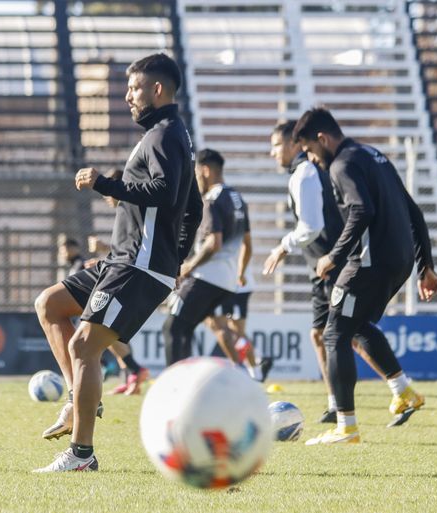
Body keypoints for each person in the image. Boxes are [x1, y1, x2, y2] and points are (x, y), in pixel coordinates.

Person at [33, 53, 202, 472]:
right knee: (50, 305)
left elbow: (163, 192)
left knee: (83, 346)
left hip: (138, 265)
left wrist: (104, 183)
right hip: (126, 260)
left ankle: (81, 455)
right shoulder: (169, 134)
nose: (128, 96)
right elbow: (193, 207)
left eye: (134, 88)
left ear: (157, 90)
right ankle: (77, 400)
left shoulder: (164, 134)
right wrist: (177, 258)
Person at [291, 108, 437, 445]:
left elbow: (362, 210)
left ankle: (346, 427)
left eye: (312, 153)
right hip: (398, 260)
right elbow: (412, 209)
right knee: (355, 326)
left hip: (371, 262)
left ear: (322, 139)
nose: (313, 161)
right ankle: (403, 392)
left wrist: (333, 257)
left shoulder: (342, 165)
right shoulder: (374, 155)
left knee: (333, 335)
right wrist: (424, 264)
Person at [263, 120, 388, 423]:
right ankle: (339, 402)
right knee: (325, 334)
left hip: (329, 264)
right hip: (325, 263)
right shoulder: (310, 171)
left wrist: (283, 246)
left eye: (276, 145)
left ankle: (395, 387)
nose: (272, 153)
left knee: (343, 333)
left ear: (295, 144)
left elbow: (311, 227)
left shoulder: (305, 173)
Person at [161, 148, 266, 380]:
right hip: (227, 283)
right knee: (199, 329)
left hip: (206, 278)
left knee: (173, 328)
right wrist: (239, 272)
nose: (195, 179)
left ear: (206, 170)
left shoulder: (212, 200)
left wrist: (190, 266)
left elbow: (213, 243)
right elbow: (247, 244)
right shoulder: (237, 199)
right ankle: (232, 378)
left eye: (196, 173)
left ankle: (174, 386)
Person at [86, 168, 151, 396]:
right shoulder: (128, 210)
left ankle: (135, 369)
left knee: (103, 326)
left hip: (135, 276)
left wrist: (105, 254)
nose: (106, 198)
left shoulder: (132, 207)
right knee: (111, 329)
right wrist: (104, 257)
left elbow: (134, 249)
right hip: (129, 271)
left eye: (107, 191)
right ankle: (130, 374)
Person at [208, 265, 273, 382]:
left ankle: (253, 371)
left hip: (237, 287)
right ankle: (256, 362)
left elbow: (246, 248)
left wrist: (240, 274)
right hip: (226, 285)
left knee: (235, 331)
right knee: (223, 328)